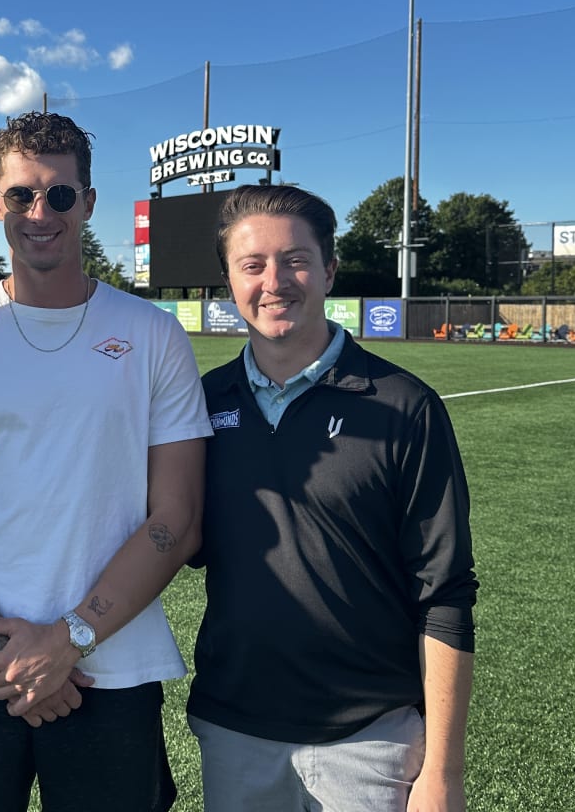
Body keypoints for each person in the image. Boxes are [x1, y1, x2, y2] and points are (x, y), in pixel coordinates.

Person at [0, 110, 211, 812]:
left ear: (88, 203)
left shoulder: (153, 337)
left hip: (111, 671)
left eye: (61, 194)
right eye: (23, 194)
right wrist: (15, 659)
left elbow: (177, 520)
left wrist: (69, 640)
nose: (42, 212)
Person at [187, 183, 479, 812]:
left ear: (329, 270)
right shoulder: (199, 405)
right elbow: (165, 535)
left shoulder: (406, 407)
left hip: (372, 739)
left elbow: (446, 593)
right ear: (228, 280)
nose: (274, 281)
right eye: (252, 264)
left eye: (295, 260)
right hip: (234, 729)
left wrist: (444, 772)